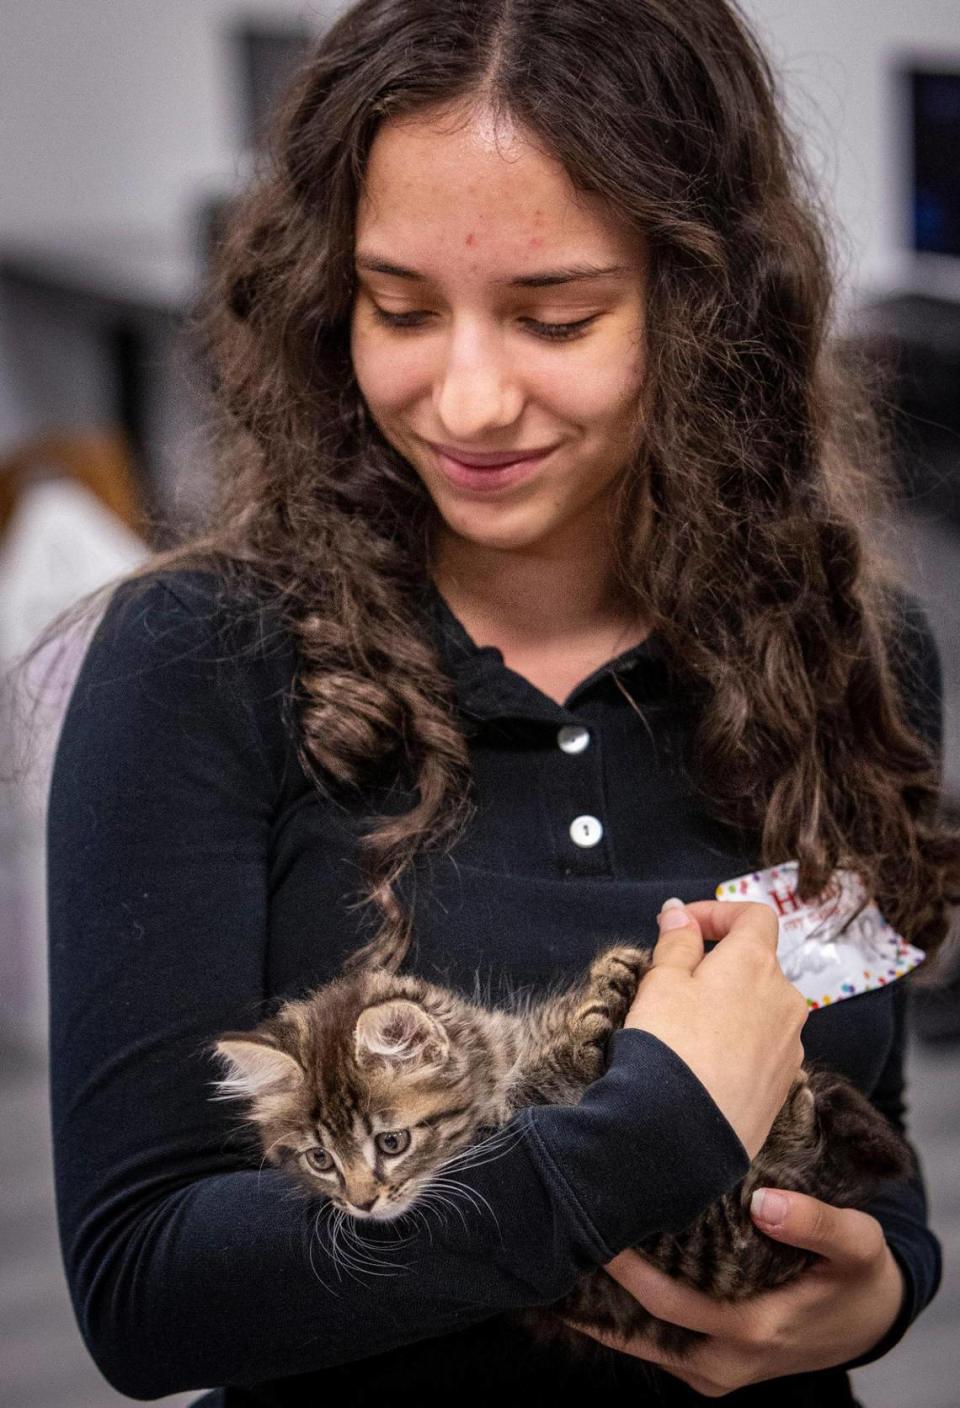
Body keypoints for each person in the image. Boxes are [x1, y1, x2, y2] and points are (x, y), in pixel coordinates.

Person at [43, 1, 958, 1403]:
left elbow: (858, 1118)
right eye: (399, 308)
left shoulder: (850, 648)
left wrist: (887, 1286)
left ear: (702, 308)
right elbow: (145, 1293)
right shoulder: (202, 658)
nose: (466, 400)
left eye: (556, 317)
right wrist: (655, 1130)